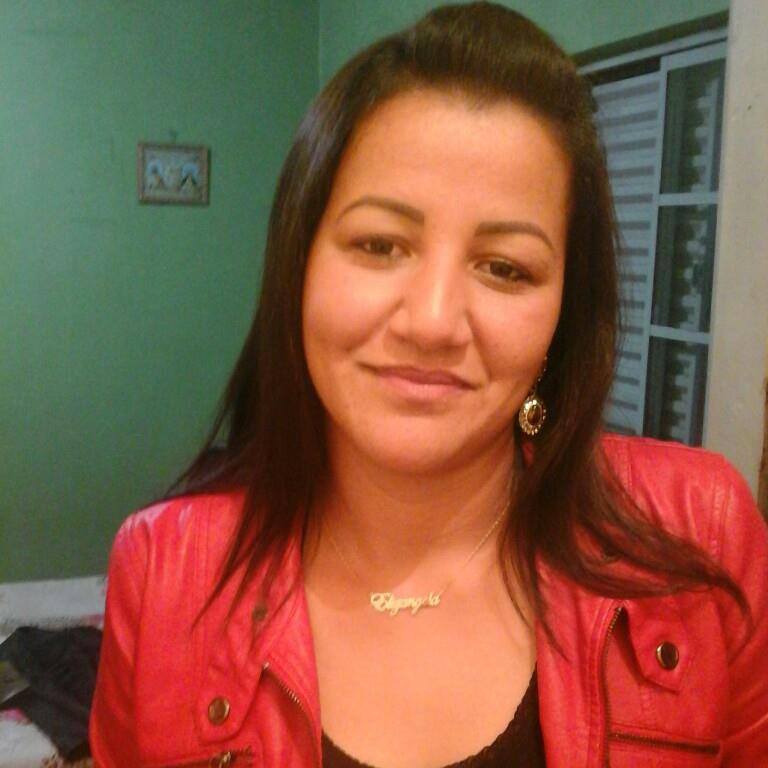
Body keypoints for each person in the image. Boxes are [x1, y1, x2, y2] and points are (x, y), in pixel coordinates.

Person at [89, 3, 768, 766]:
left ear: (563, 318)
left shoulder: (701, 537)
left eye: (504, 267)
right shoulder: (163, 571)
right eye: (380, 245)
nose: (434, 321)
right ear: (299, 268)